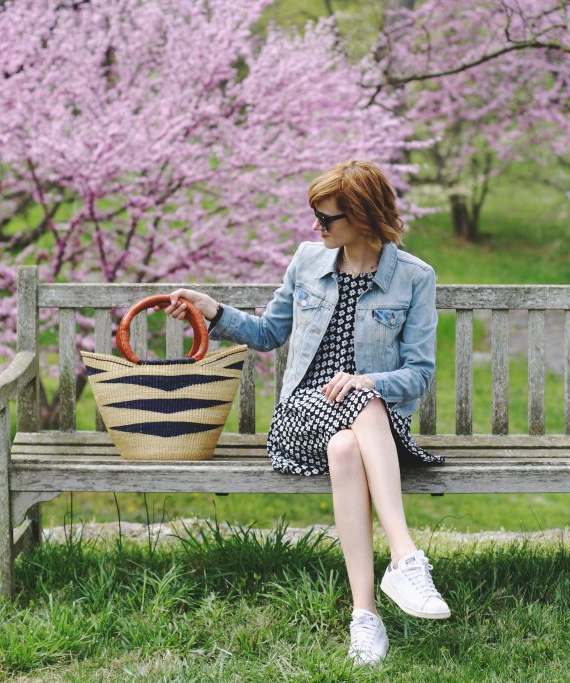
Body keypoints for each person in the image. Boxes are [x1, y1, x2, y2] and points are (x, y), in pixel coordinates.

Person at [164, 160, 449, 666]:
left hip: (371, 430)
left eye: (327, 218)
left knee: (347, 443)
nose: (316, 227)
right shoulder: (307, 262)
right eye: (315, 216)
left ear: (361, 217)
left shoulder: (414, 278)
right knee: (360, 408)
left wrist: (367, 380)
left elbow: (420, 373)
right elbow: (269, 334)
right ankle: (405, 556)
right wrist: (213, 310)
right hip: (300, 419)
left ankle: (365, 617)